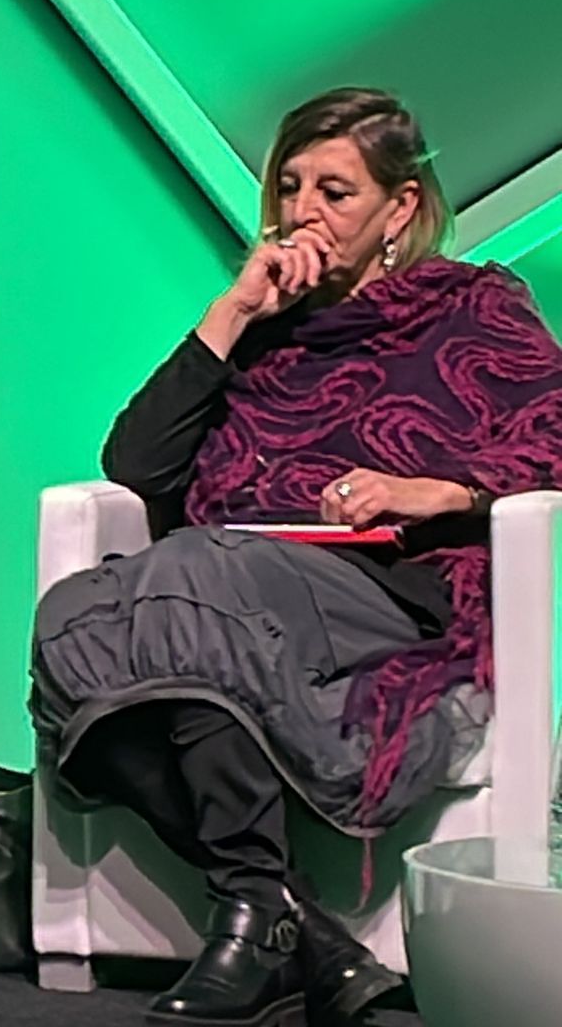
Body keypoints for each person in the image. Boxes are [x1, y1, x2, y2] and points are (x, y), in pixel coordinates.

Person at [32, 87, 562, 1027]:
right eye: (290, 187)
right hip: (229, 584)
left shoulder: (471, 309)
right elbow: (137, 464)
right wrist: (234, 311)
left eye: (335, 191)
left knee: (190, 581)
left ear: (399, 208)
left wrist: (436, 490)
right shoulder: (263, 327)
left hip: (385, 591)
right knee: (73, 618)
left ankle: (262, 932)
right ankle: (294, 933)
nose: (302, 212)